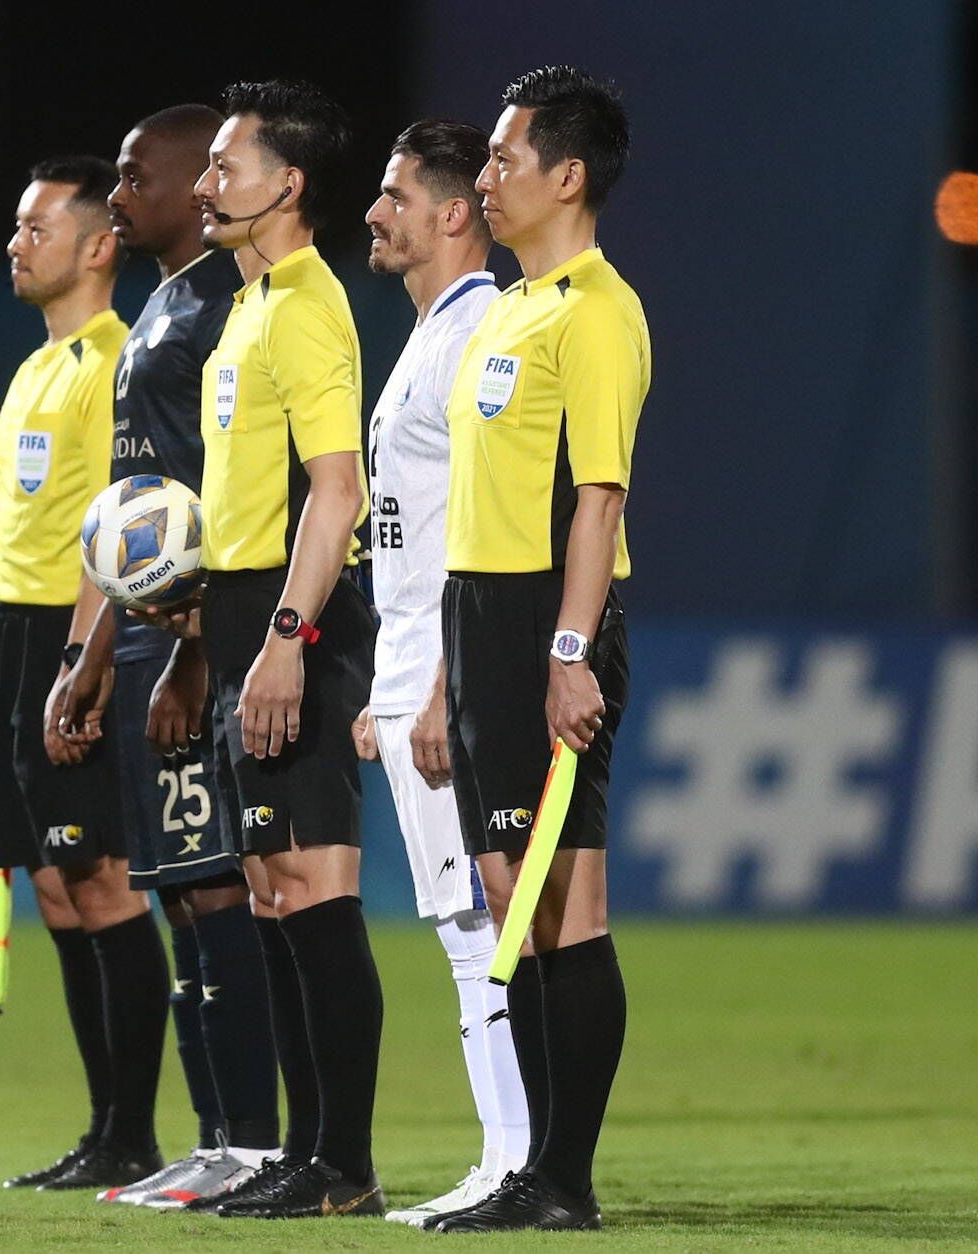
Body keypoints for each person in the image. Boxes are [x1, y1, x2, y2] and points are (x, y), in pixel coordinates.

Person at [150, 78, 385, 1220]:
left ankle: (342, 1162)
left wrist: (287, 639)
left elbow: (335, 492)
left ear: (285, 186)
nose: (204, 185)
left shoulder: (304, 303)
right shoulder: (242, 307)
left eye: (224, 167)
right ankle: (309, 1154)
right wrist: (208, 625)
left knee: (313, 885)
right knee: (271, 888)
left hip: (299, 620)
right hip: (244, 611)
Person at [47, 104, 281, 1211]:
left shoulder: (225, 312)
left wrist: (190, 649)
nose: (122, 189)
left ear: (194, 187)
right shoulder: (162, 308)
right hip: (141, 637)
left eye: (137, 173)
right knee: (180, 893)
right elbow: (134, 510)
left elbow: (219, 507)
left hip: (192, 641)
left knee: (216, 888)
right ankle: (212, 1134)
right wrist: (93, 649)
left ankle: (253, 1141)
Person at [429, 66, 648, 1233]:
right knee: (510, 888)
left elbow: (595, 500)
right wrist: (440, 675)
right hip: (479, 615)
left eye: (505, 160)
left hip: (546, 620)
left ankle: (561, 1179)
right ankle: (538, 1171)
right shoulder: (505, 310)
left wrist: (566, 653)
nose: (486, 177)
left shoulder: (594, 312)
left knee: (566, 899)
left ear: (566, 175)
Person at [347, 117, 530, 1226]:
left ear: (452, 210)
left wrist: (441, 688)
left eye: (394, 194)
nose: (375, 212)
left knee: (480, 922)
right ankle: (504, 1158)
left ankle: (513, 1164)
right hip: (414, 656)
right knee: (462, 922)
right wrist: (390, 680)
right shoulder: (431, 332)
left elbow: (490, 525)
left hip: (451, 662)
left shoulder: (480, 334)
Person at [0, 156, 167, 1193]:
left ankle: (132, 1133)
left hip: (68, 637)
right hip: (9, 632)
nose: (16, 243)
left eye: (36, 227)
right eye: (16, 226)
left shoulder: (112, 364)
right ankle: (103, 1128)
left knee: (98, 881)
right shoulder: (33, 369)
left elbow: (119, 529)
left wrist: (79, 662)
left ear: (99, 246)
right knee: (51, 886)